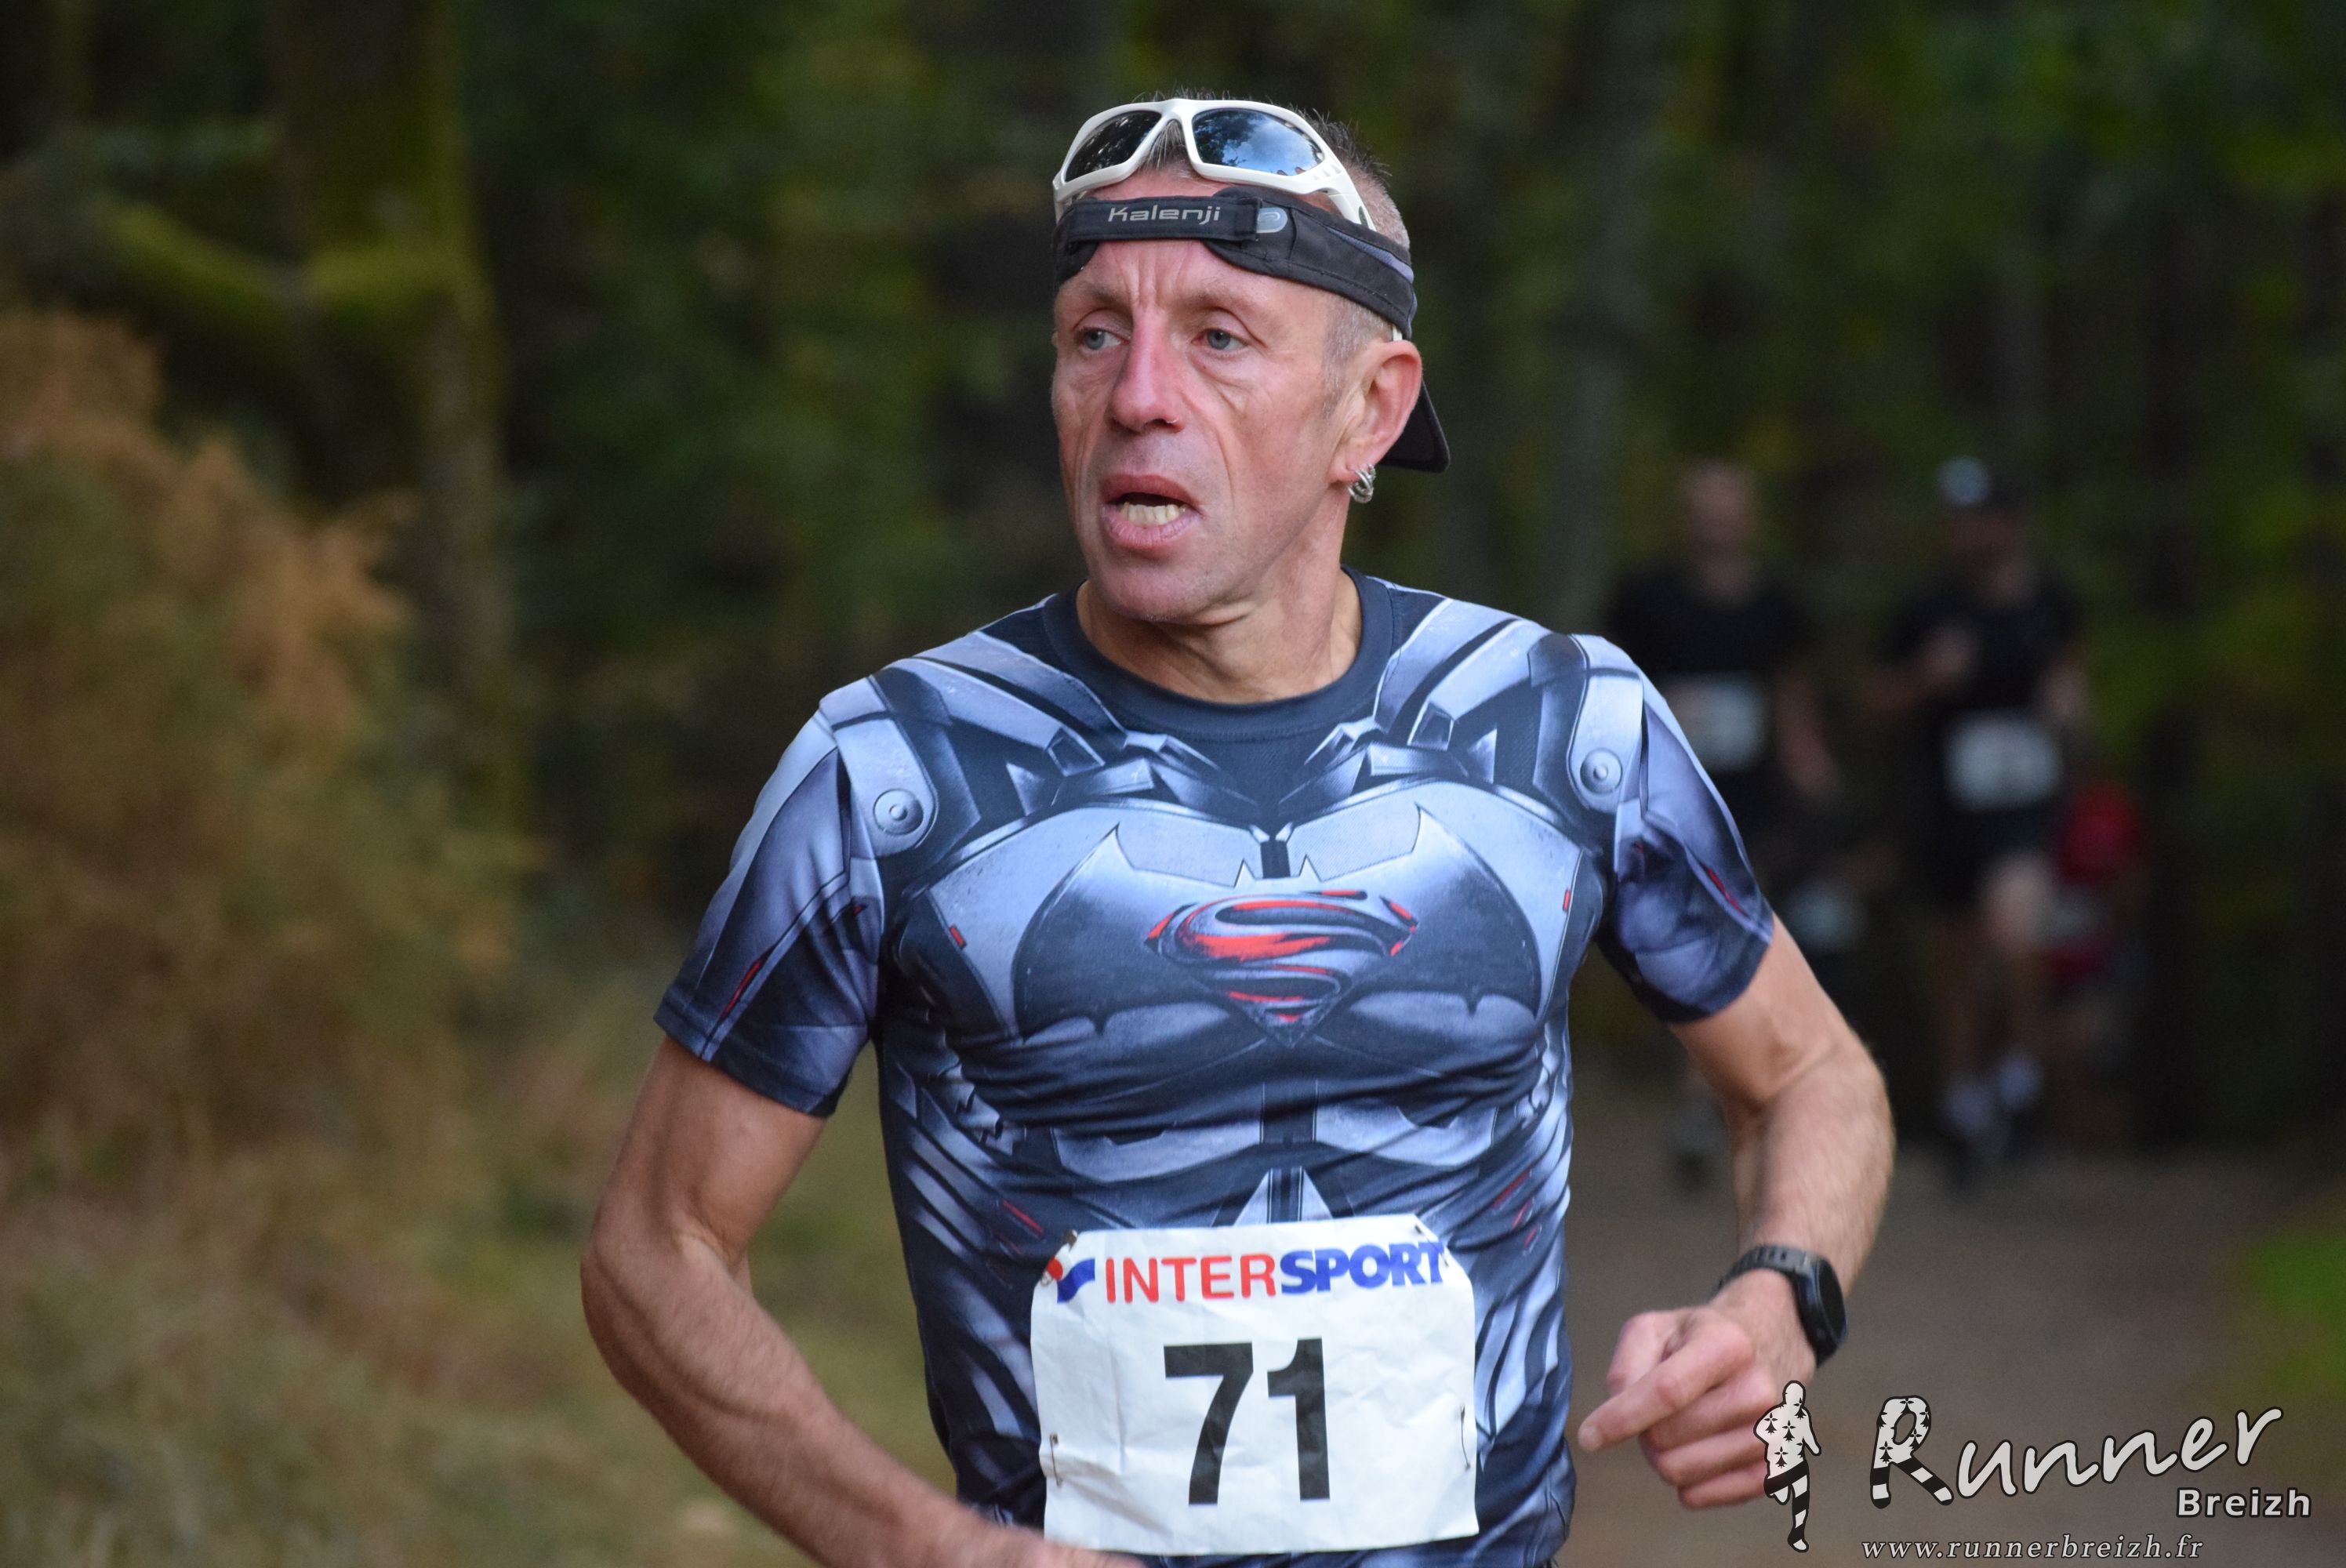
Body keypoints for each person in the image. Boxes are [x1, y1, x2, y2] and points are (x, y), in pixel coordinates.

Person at [582, 94, 1894, 1566]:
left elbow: (1812, 1076)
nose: (1139, 395)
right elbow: (655, 1252)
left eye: (1219, 337)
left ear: (1369, 412)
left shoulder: (1560, 727)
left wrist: (1782, 1297)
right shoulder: (895, 773)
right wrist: (920, 1546)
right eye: (1094, 334)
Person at [1605, 460, 1839, 1188]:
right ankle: (1705, 1093)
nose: (1715, 522)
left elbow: (1792, 696)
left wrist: (1808, 760)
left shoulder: (1777, 606)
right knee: (1686, 943)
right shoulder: (1646, 598)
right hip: (1666, 797)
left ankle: (1701, 1101)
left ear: (1749, 517)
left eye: (1727, 508)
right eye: (1702, 508)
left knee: (1728, 936)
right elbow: (1611, 683)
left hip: (1752, 803)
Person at [1869, 459, 2087, 1185]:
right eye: (1957, 520)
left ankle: (2020, 1074)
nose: (1967, 534)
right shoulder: (1925, 608)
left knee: (2016, 935)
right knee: (1958, 965)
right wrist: (1923, 681)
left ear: (2011, 524)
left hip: (2024, 807)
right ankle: (1965, 1101)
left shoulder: (2051, 602)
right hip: (1948, 809)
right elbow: (1876, 701)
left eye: (1980, 519)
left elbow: (2073, 682)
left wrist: (2068, 707)